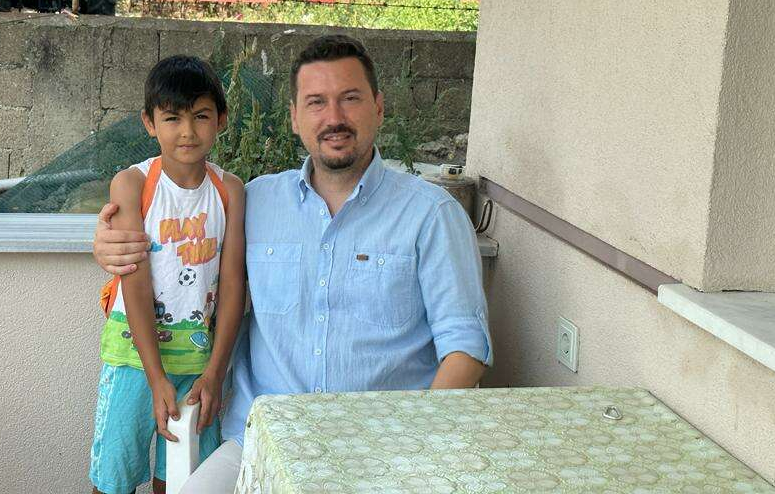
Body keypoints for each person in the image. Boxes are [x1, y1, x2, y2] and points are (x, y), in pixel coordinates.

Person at [93, 35, 491, 493]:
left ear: (379, 108)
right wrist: (109, 244)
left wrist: (413, 450)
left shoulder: (431, 215)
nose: (334, 117)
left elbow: (466, 348)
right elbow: (177, 240)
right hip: (260, 442)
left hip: (381, 451)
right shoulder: (256, 200)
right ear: (294, 117)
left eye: (350, 98)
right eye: (316, 102)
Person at [89, 55, 246, 494]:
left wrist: (215, 372)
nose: (187, 131)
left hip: (198, 365)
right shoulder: (133, 184)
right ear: (149, 122)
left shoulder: (230, 191)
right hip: (134, 359)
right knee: (113, 480)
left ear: (221, 120)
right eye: (173, 117)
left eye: (201, 116)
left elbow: (233, 285)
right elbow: (134, 281)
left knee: (181, 480)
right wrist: (155, 376)